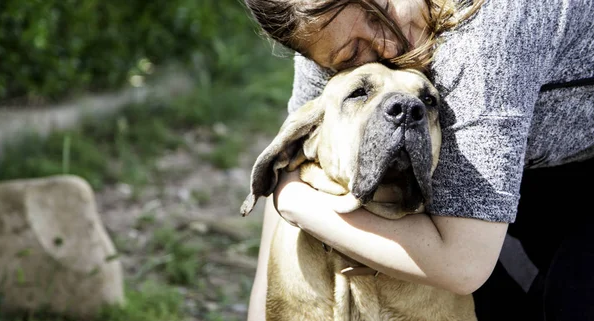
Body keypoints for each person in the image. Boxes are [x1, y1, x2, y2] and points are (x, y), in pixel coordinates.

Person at [243, 0, 594, 320]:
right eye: (353, 55)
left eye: (378, 9)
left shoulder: (489, 36)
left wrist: (297, 206)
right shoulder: (327, 32)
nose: (386, 47)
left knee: (571, 297)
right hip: (521, 170)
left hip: (571, 167)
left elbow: (465, 264)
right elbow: (291, 154)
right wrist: (263, 306)